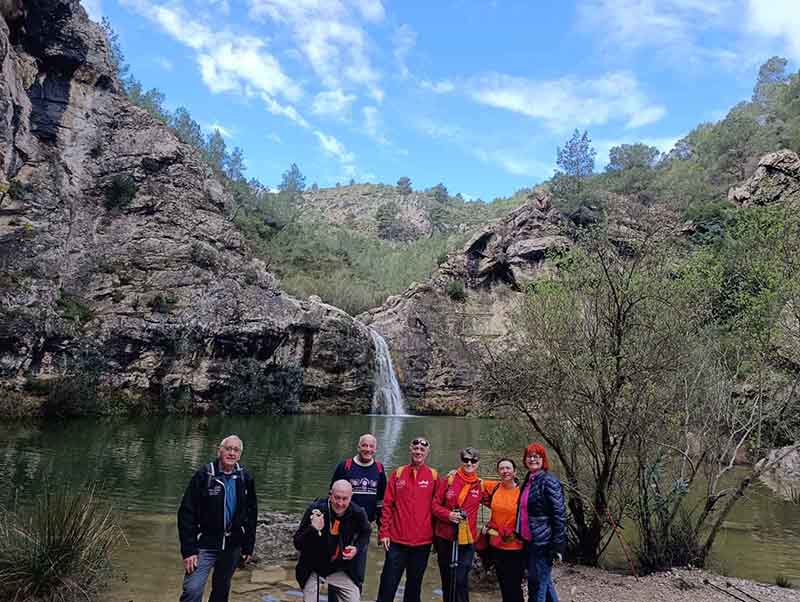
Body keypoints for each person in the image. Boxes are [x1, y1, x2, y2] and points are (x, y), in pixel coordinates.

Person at [177, 435, 258, 602]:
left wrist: (248, 546)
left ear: (240, 455)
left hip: (231, 546)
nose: (231, 453)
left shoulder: (245, 478)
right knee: (192, 590)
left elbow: (251, 513)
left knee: (221, 591)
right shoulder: (204, 475)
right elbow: (186, 513)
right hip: (204, 544)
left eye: (236, 450)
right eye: (228, 449)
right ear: (219, 451)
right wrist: (189, 550)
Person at [376, 437, 439, 602]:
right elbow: (387, 506)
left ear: (427, 453)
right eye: (415, 448)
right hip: (396, 540)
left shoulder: (433, 476)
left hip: (422, 542)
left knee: (414, 585)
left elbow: (439, 505)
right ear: (410, 450)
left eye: (422, 450)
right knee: (388, 583)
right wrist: (383, 533)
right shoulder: (397, 473)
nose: (418, 452)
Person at [329, 434, 387, 601]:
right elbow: (331, 496)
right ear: (358, 446)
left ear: (375, 449)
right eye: (364, 445)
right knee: (336, 568)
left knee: (358, 571)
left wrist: (382, 529)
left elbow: (382, 502)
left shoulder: (379, 470)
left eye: (371, 446)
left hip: (363, 528)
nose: (367, 449)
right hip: (340, 526)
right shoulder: (345, 466)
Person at [293, 480, 371, 602]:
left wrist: (356, 548)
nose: (340, 503)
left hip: (339, 568)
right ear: (330, 495)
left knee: (354, 599)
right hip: (313, 568)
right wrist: (312, 529)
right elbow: (297, 543)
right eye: (337, 498)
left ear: (351, 498)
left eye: (345, 499)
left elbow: (366, 533)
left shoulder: (357, 513)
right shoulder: (316, 509)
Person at [515, 443, 566, 602]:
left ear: (543, 459)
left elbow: (559, 515)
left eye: (536, 456)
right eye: (529, 456)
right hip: (530, 541)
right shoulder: (530, 479)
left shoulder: (548, 481)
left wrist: (558, 546)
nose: (532, 459)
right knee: (544, 581)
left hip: (543, 543)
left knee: (536, 586)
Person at [432, 447, 483, 602]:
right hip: (445, 537)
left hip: (467, 540)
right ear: (461, 461)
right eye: (466, 460)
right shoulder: (449, 479)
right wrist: (449, 515)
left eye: (473, 460)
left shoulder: (480, 485)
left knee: (461, 579)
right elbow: (434, 505)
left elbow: (500, 500)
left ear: (478, 463)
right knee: (447, 580)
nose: (469, 463)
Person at [480, 458, 524, 602]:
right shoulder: (494, 487)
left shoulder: (522, 492)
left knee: (515, 586)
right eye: (502, 469)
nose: (505, 471)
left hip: (515, 546)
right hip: (496, 545)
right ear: (498, 472)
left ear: (515, 471)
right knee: (503, 585)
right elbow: (473, 481)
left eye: (508, 468)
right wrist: (454, 474)